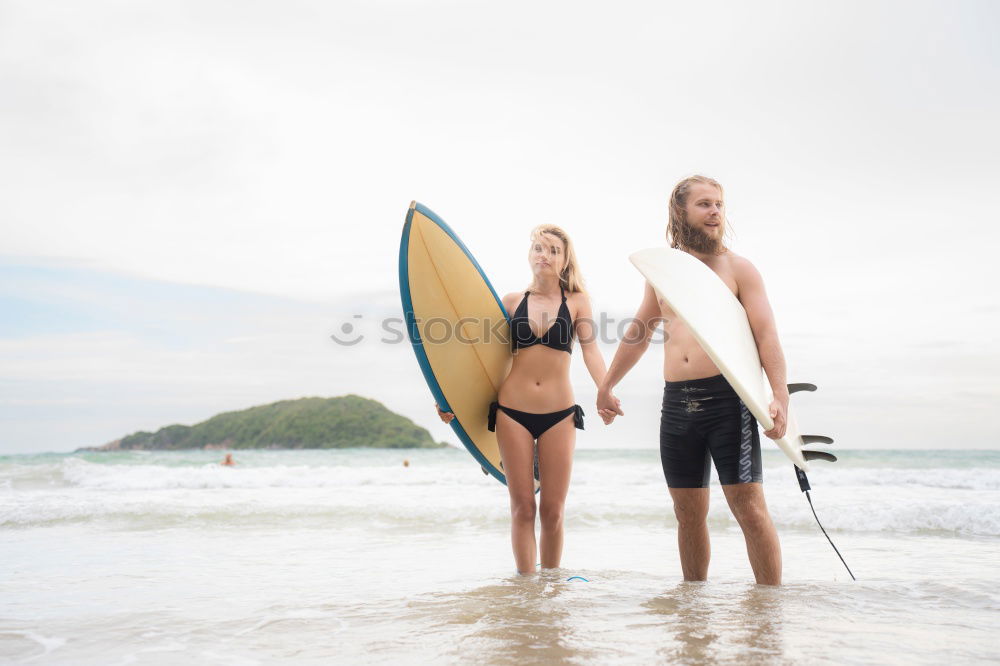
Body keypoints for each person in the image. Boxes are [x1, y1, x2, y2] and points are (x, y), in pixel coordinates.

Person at [597, 175, 786, 585]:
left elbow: (766, 334)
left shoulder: (738, 269)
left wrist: (779, 396)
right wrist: (607, 384)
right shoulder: (664, 272)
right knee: (687, 512)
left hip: (727, 400)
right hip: (677, 403)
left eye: (718, 204)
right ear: (680, 212)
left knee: (748, 507)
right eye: (703, 204)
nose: (715, 211)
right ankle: (693, 608)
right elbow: (640, 332)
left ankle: (770, 609)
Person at [438, 225, 609, 574]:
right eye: (538, 248)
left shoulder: (576, 302)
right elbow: (480, 359)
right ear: (529, 255)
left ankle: (551, 585)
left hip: (559, 413)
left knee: (553, 510)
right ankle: (525, 590)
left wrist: (605, 389)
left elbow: (591, 351)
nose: (544, 255)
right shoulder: (512, 302)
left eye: (553, 250)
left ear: (565, 260)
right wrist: (448, 397)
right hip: (512, 411)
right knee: (522, 508)